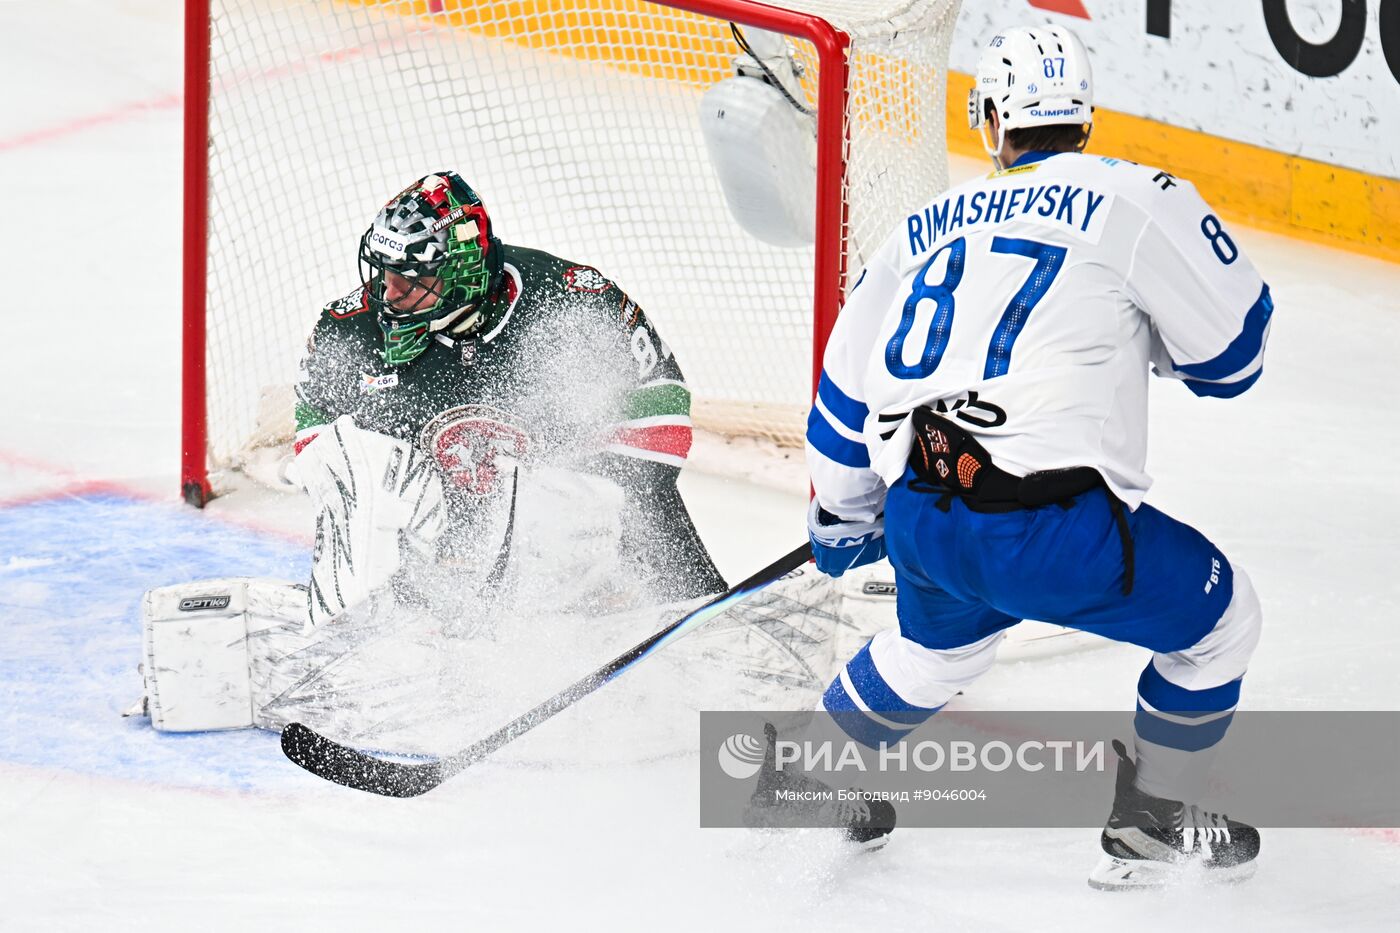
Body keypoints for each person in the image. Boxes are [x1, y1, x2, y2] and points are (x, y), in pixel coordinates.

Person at [798, 24, 1270, 887]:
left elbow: (843, 393)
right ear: (1085, 118)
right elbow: (1235, 361)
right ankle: (1155, 820)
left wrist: (842, 510)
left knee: (937, 650)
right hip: (1053, 533)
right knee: (1222, 624)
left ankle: (808, 769)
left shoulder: (918, 228)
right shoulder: (1135, 197)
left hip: (921, 516)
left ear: (990, 120)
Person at [292, 171, 728, 623]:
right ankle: (361, 632)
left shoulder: (571, 302)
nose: (389, 292)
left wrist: (581, 500)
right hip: (423, 566)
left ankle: (678, 622)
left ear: (459, 271)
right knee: (359, 488)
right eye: (384, 272)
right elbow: (316, 439)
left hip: (587, 558)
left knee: (567, 519)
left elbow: (661, 406)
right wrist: (409, 499)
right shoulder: (350, 332)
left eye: (410, 277)